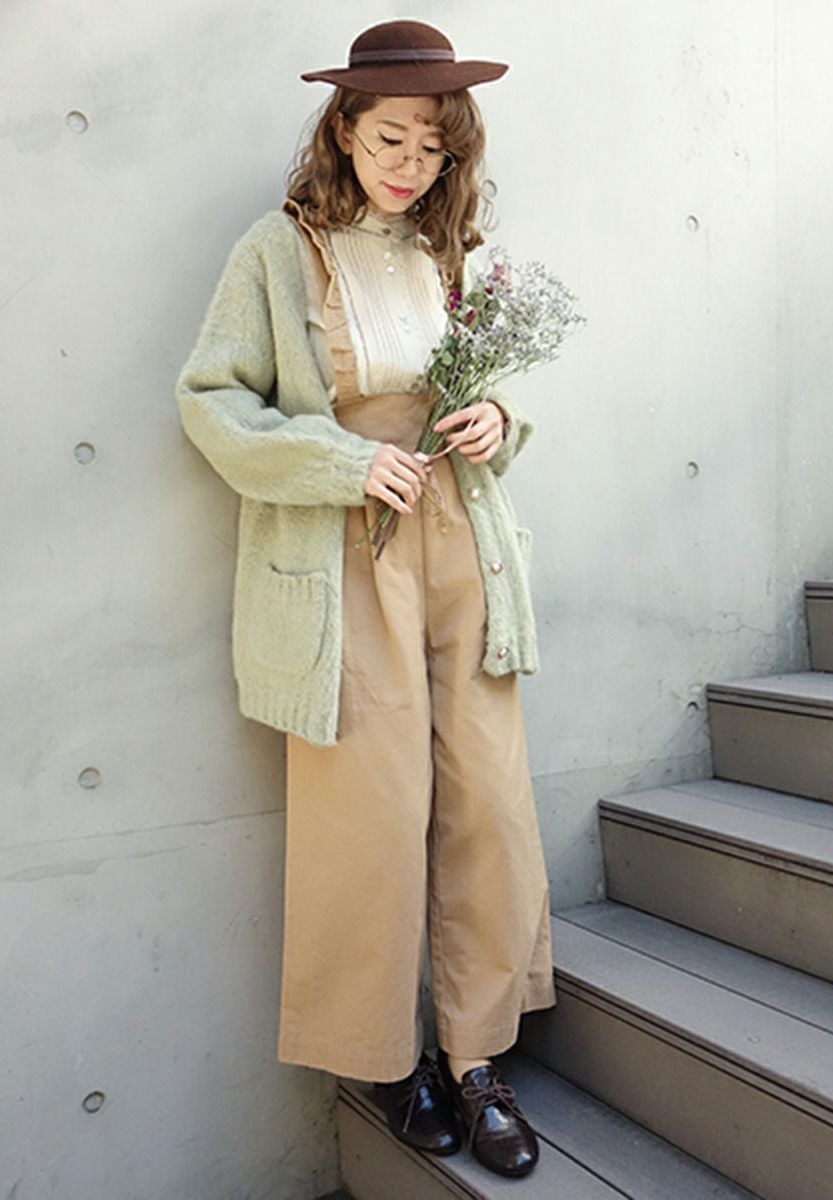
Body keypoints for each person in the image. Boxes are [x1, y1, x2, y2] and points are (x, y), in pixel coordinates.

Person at [175, 19, 556, 1180]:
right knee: (371, 812)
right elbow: (211, 402)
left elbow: (498, 407)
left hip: (464, 544)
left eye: (432, 148)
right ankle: (386, 1060)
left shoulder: (455, 255)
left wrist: (499, 422)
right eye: (389, 137)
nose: (409, 164)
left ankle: (477, 1054)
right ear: (342, 129)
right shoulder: (278, 250)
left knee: (487, 801)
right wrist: (341, 463)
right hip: (348, 553)